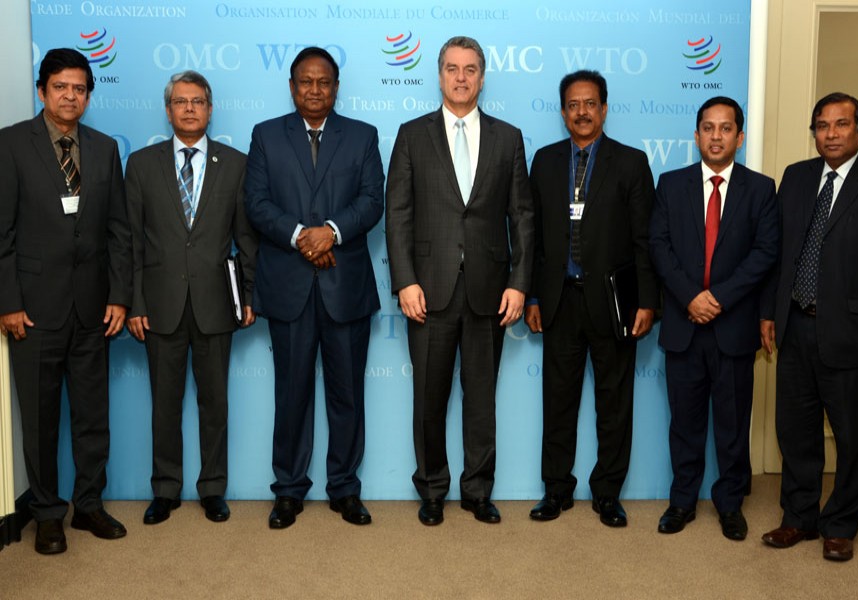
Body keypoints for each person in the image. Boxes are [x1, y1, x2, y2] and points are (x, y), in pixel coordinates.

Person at [385, 36, 533, 526]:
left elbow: (522, 218)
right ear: (440, 74)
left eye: (471, 69)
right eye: (452, 68)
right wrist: (404, 280)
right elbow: (398, 215)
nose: (462, 77)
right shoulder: (411, 134)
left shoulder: (508, 137)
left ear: (483, 76)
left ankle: (477, 490)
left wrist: (518, 282)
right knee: (428, 398)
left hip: (491, 291)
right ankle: (431, 489)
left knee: (481, 397)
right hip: (428, 290)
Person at [244, 47, 383, 528]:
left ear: (336, 87)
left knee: (347, 396)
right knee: (292, 393)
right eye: (306, 81)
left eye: (324, 82)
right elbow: (256, 204)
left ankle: (345, 488)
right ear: (291, 85)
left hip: (345, 289)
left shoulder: (363, 137)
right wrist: (304, 237)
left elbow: (372, 201)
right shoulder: (266, 136)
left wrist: (332, 231)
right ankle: (288, 491)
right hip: (289, 287)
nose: (315, 90)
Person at [0, 48, 131, 554]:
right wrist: (8, 302)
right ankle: (48, 512)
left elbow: (119, 230)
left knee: (92, 414)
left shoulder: (103, 148)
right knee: (40, 417)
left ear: (88, 95)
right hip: (32, 310)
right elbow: (2, 233)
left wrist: (120, 296)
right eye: (61, 87)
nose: (70, 96)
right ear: (42, 91)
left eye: (79, 88)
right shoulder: (11, 145)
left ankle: (89, 505)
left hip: (93, 309)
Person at [760, 92, 858, 561]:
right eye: (822, 125)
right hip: (795, 326)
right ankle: (798, 517)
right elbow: (778, 257)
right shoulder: (796, 179)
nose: (832, 134)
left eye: (841, 124)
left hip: (854, 334)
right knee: (794, 431)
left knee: (850, 436)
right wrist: (768, 313)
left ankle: (840, 523)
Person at [125, 70, 257, 525]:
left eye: (197, 101)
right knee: (164, 402)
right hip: (159, 304)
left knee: (214, 402)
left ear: (210, 107)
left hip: (216, 303)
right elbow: (132, 244)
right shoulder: (141, 165)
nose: (188, 108)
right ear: (168, 110)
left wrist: (248, 297)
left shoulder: (236, 164)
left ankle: (213, 488)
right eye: (180, 101)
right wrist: (135, 302)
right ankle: (164, 490)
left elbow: (246, 239)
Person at [525, 70, 656, 527]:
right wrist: (534, 296)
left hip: (615, 303)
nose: (582, 112)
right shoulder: (542, 161)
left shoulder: (631, 163)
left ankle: (607, 494)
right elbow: (534, 237)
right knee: (557, 402)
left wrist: (647, 301)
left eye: (590, 103)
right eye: (573, 104)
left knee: (614, 403)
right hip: (560, 300)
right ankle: (555, 490)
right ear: (563, 112)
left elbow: (645, 240)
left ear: (603, 108)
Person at [649, 96, 778, 540]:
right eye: (708, 127)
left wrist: (717, 298)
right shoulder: (670, 184)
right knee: (684, 423)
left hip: (733, 327)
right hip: (685, 325)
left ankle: (730, 503)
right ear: (697, 134)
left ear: (739, 138)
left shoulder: (761, 189)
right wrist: (691, 297)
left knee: (732, 423)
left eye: (726, 129)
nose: (716, 136)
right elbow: (659, 248)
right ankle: (682, 502)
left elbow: (765, 254)